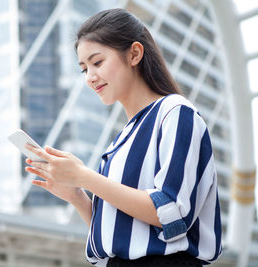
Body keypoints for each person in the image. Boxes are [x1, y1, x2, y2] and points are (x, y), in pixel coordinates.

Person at [24, 8, 222, 267]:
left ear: (135, 54)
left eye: (97, 62)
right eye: (84, 69)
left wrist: (85, 176)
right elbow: (118, 234)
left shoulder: (175, 112)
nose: (90, 78)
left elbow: (172, 213)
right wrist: (77, 195)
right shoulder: (120, 141)